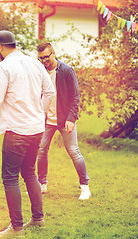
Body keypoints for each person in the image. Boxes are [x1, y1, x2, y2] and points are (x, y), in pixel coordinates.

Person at [0, 30, 55, 237]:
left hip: (17, 131)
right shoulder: (35, 63)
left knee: (10, 178)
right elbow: (50, 92)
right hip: (36, 130)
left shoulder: (4, 67)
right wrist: (39, 114)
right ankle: (38, 219)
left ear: (0, 47)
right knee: (29, 173)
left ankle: (16, 228)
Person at [36, 42, 91, 200]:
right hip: (47, 120)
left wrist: (71, 119)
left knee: (73, 151)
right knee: (41, 150)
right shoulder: (41, 71)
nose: (44, 61)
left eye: (47, 57)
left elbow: (75, 97)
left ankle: (85, 187)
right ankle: (42, 184)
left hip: (65, 119)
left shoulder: (66, 70)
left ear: (54, 53)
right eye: (41, 58)